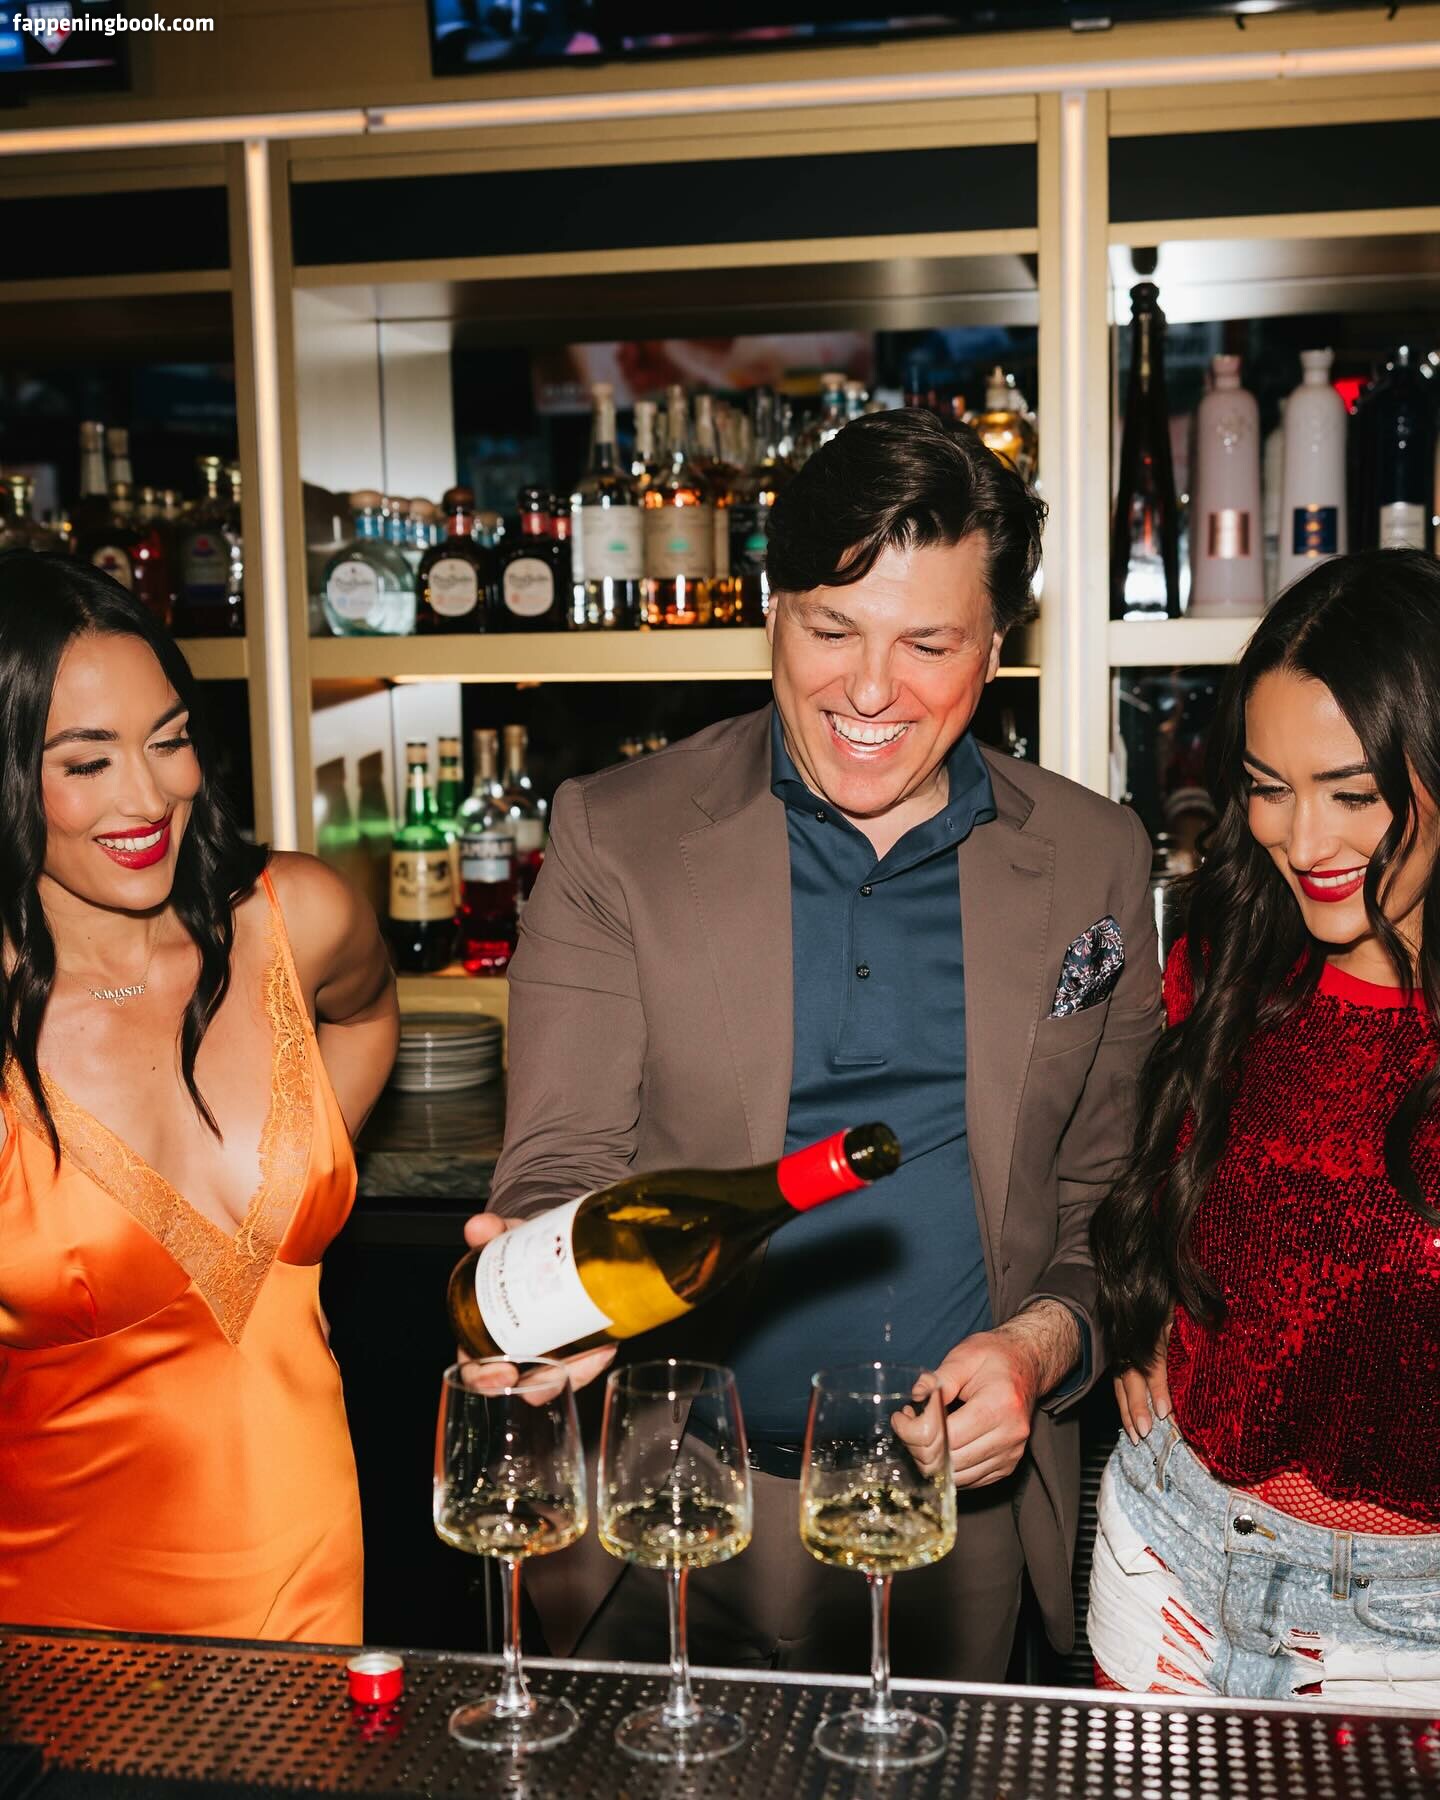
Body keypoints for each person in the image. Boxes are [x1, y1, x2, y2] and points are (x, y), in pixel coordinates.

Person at [465, 408, 1162, 1679]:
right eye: (833, 630)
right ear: (771, 614)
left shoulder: (1094, 855)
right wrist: (558, 1291)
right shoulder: (617, 833)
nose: (871, 690)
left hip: (953, 1518)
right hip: (668, 1498)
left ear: (997, 647)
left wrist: (1043, 1344)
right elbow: (564, 1152)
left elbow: (1108, 1196)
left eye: (928, 644)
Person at [0, 551, 398, 1640]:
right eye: (87, 762)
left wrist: (309, 1164)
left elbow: (367, 1013)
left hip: (313, 1595)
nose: (150, 796)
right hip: (59, 1635)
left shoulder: (297, 916)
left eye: (169, 740)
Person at [1089, 549, 1440, 1706]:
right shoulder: (1230, 961)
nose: (1304, 840)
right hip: (1172, 1559)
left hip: (1412, 1636)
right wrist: (1145, 1311)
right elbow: (1156, 1185)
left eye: (1353, 794)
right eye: (1267, 786)